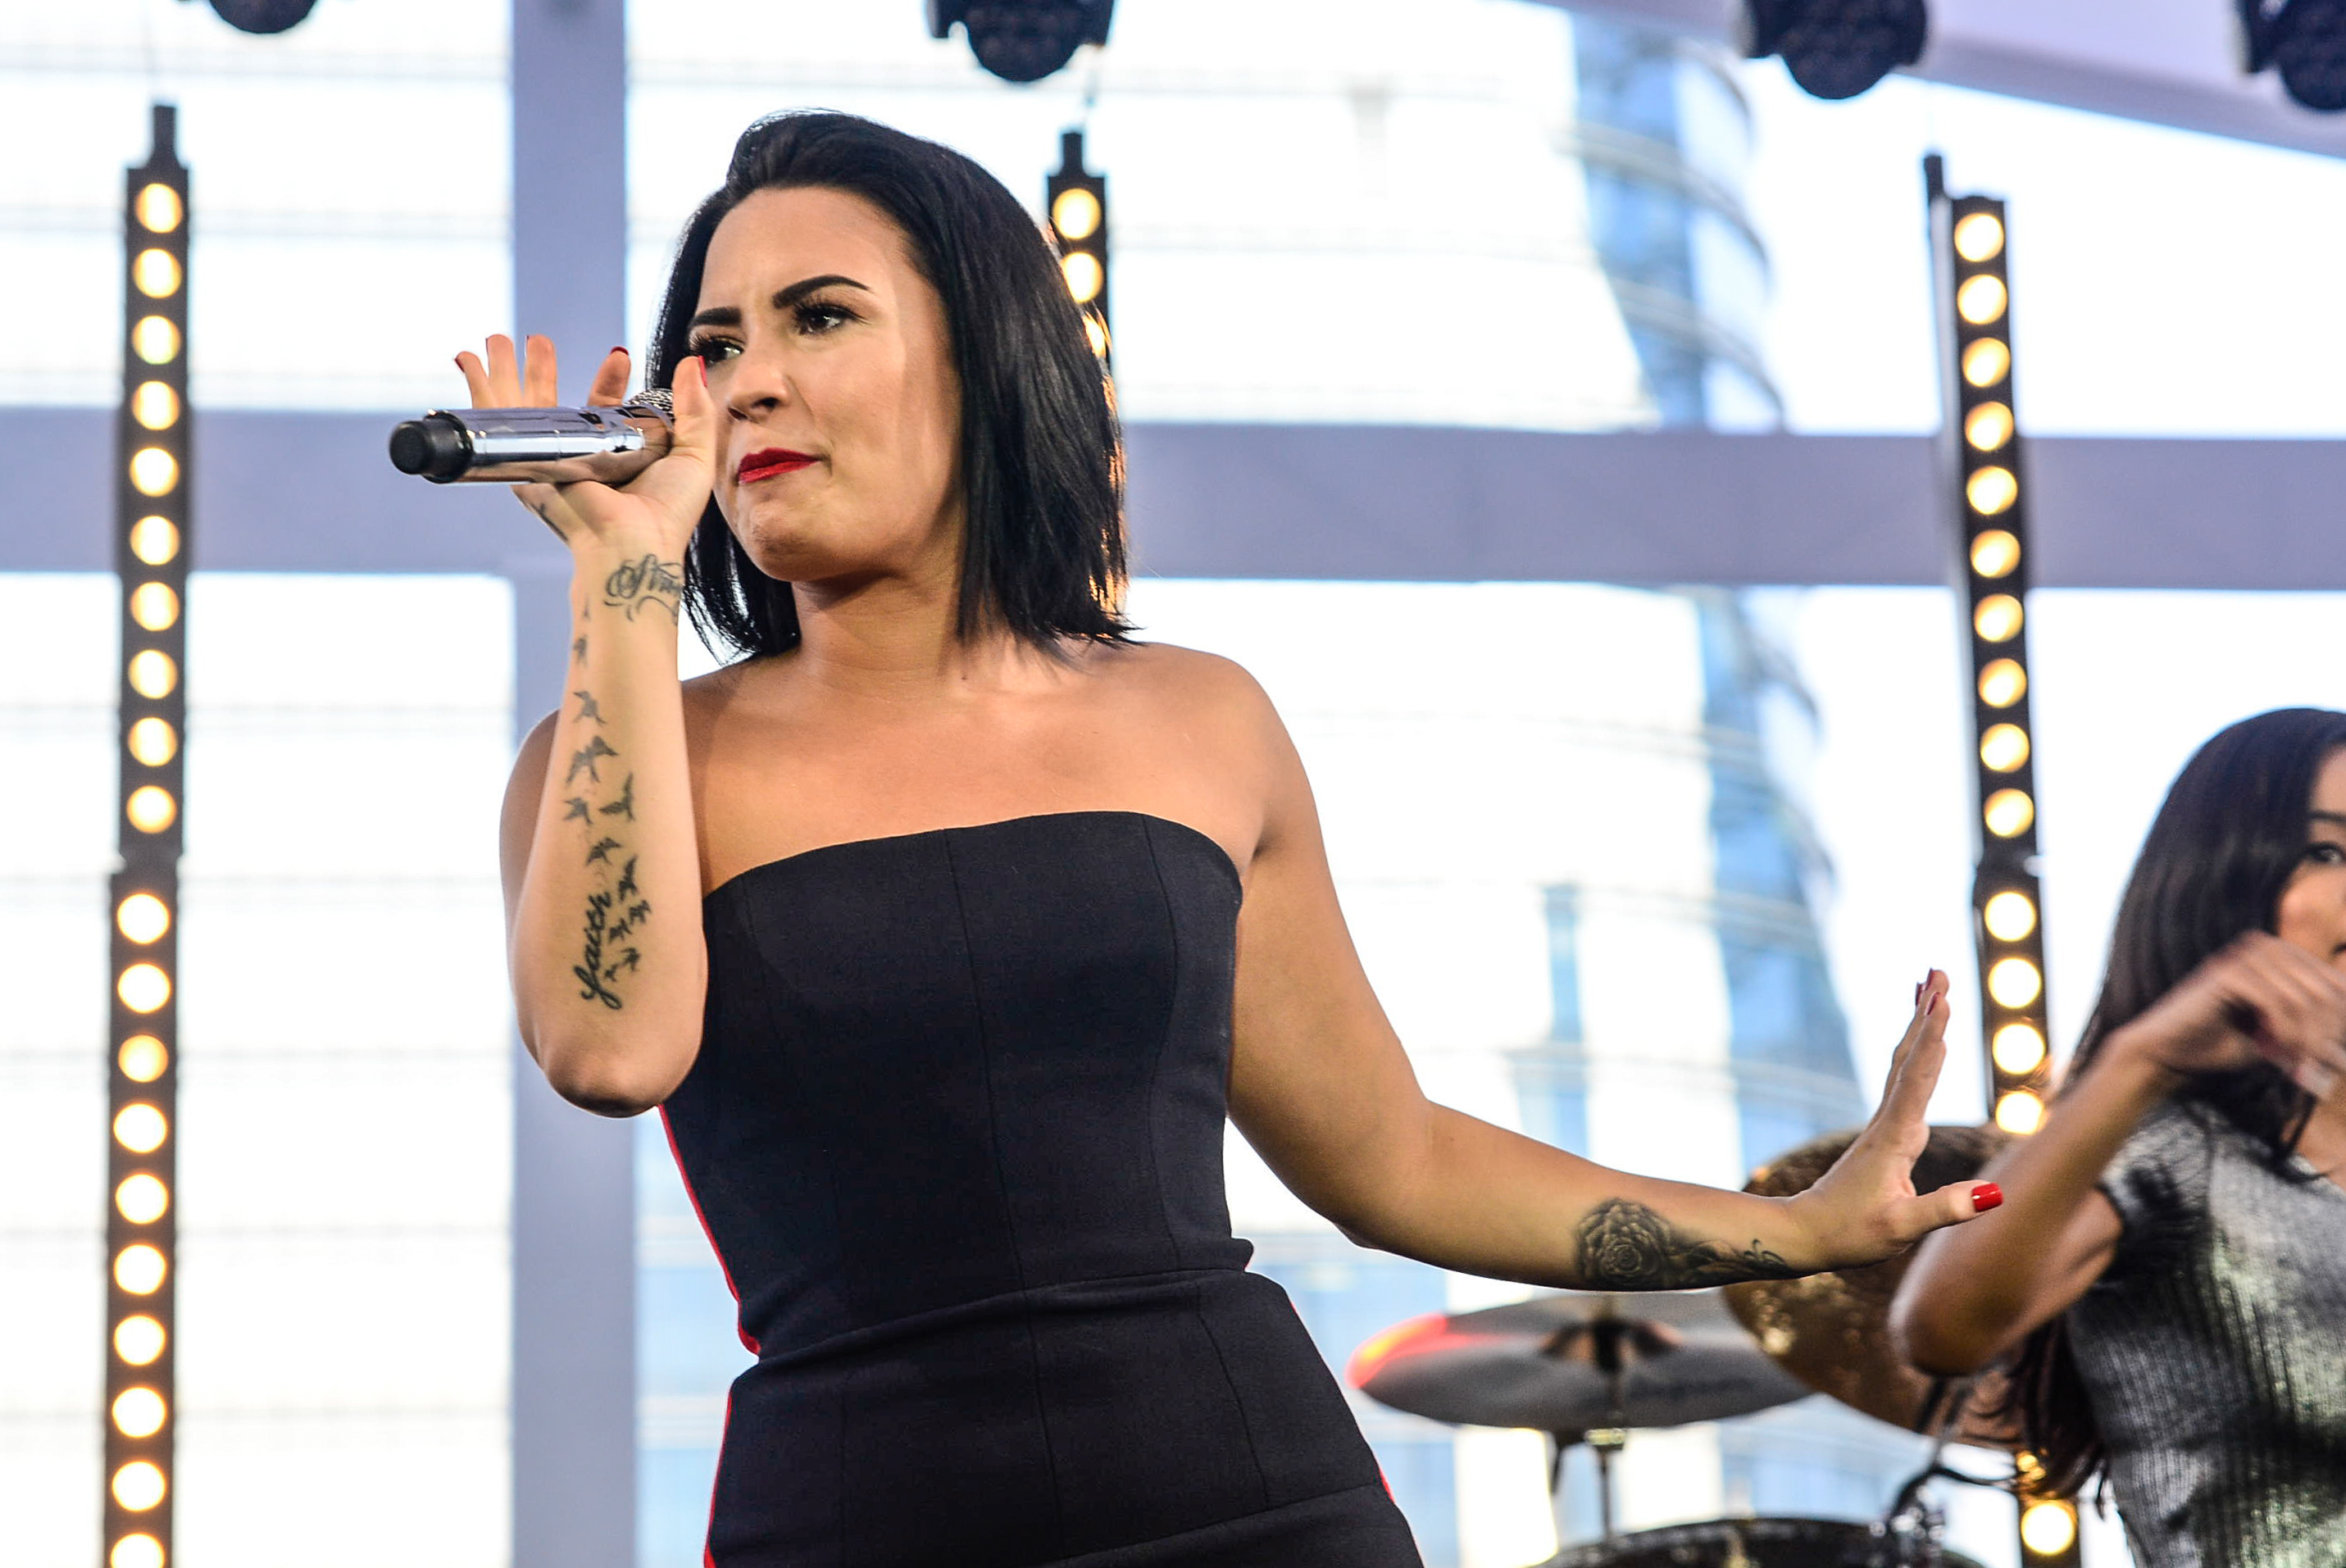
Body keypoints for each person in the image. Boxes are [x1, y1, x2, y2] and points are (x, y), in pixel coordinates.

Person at [477, 110, 1995, 1567]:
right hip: (853, 1518)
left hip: (1250, 1499)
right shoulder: (618, 758)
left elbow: (1395, 1157)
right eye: (714, 343)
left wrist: (1793, 1231)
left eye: (818, 318)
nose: (745, 383)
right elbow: (610, 1050)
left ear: (983, 359)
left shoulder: (1196, 720)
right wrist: (623, 576)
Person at [1894, 708, 2346, 1567]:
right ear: (2226, 882)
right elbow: (1939, 1325)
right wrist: (2138, 1063)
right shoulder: (2176, 1151)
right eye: (2327, 850)